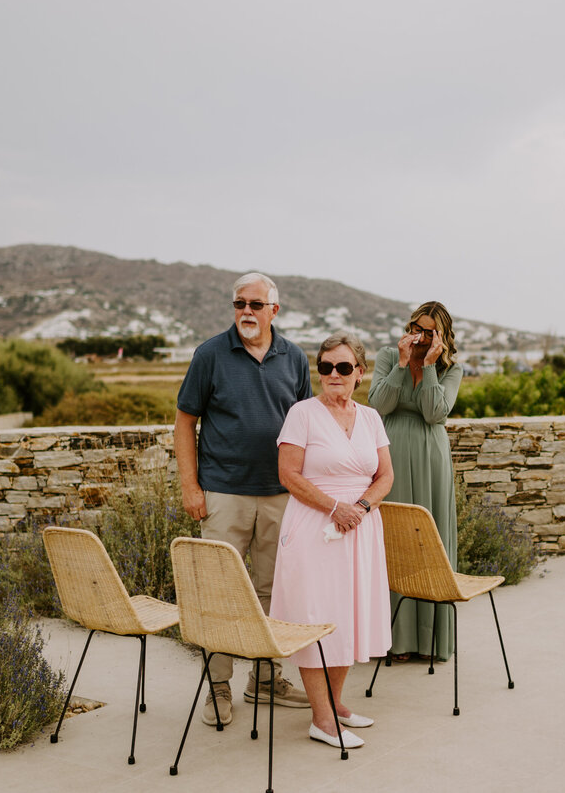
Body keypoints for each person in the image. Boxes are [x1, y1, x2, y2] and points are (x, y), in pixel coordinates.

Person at [174, 271, 312, 727]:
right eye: (239, 304)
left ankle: (266, 679)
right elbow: (184, 423)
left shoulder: (293, 358)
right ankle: (218, 686)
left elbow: (307, 427)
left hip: (280, 496)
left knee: (275, 592)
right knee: (218, 593)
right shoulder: (210, 354)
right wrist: (191, 487)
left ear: (275, 309)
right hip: (224, 494)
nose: (246, 312)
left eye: (255, 304)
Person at [269, 332, 394, 749]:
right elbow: (289, 475)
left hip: (360, 526)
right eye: (325, 367)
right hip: (314, 527)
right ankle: (321, 719)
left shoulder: (371, 418)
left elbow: (386, 476)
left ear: (360, 372)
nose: (333, 374)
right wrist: (333, 507)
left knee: (348, 615)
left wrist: (360, 506)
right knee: (315, 616)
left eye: (343, 367)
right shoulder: (302, 414)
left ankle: (337, 705)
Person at [367, 301, 463, 661]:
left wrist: (428, 368)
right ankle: (392, 639)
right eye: (417, 328)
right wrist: (405, 364)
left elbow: (435, 412)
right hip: (389, 456)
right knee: (392, 543)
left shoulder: (453, 369)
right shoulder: (389, 357)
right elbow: (379, 404)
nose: (421, 337)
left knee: (429, 543)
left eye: (430, 331)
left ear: (441, 335)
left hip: (430, 458)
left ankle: (429, 641)